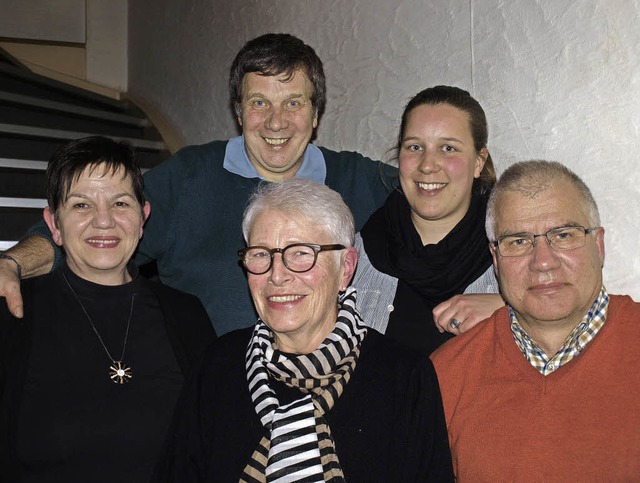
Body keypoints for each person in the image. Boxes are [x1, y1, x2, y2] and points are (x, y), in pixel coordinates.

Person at [0, 33, 395, 335]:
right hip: (201, 397)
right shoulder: (189, 176)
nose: (276, 122)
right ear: (238, 112)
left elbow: (442, 202)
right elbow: (90, 231)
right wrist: (14, 262)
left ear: (315, 113)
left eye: (293, 103)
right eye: (259, 103)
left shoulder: (357, 180)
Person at [156, 179, 454, 482]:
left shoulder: (405, 377)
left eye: (300, 253)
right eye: (261, 254)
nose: (277, 275)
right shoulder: (217, 366)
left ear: (346, 268)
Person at [0, 137, 216, 481]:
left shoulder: (187, 315)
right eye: (82, 205)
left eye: (120, 203)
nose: (104, 221)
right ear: (54, 224)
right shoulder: (14, 313)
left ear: (143, 217)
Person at [431, 160, 640, 480]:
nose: (543, 262)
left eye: (564, 235)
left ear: (598, 245)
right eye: (518, 241)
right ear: (496, 260)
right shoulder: (445, 375)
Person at [352, 86, 502, 354]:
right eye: (415, 147)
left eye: (448, 148)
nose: (427, 164)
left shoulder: (517, 253)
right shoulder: (355, 256)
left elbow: (580, 315)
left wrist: (512, 311)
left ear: (479, 162)